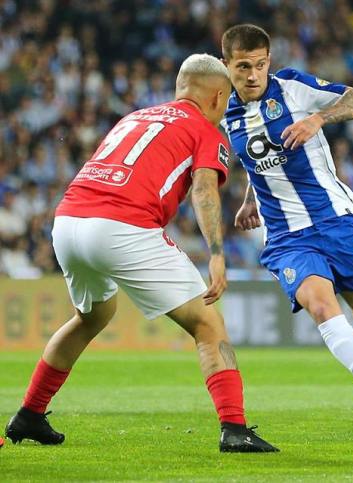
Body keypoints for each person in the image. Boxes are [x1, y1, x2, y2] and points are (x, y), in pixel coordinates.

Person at [4, 54, 278, 453]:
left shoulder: (134, 117)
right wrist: (217, 253)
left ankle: (30, 413)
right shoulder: (206, 130)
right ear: (218, 97)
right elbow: (204, 190)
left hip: (68, 221)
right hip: (121, 226)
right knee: (207, 324)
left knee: (92, 316)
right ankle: (235, 428)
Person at [221, 24, 353, 420]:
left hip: (339, 220)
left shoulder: (293, 87)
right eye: (243, 67)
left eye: (260, 64)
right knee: (322, 305)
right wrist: (251, 198)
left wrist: (318, 119)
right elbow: (261, 159)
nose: (253, 75)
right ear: (227, 66)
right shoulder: (225, 112)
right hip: (287, 237)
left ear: (269, 61)